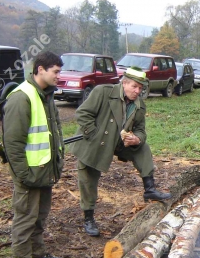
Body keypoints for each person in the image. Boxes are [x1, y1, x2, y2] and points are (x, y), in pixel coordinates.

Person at [70, 67, 171, 237]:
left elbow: (140, 130)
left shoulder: (139, 105)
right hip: (93, 143)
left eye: (140, 88)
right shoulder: (103, 92)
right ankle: (89, 217)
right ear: (124, 83)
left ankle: (149, 187)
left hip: (118, 142)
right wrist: (94, 133)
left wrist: (137, 139)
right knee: (88, 179)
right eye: (134, 87)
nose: (137, 91)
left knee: (142, 147)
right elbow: (82, 113)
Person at [3, 51, 66, 258]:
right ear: (40, 69)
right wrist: (23, 174)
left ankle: (37, 254)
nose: (59, 76)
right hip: (29, 174)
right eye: (56, 72)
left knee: (40, 217)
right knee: (25, 218)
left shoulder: (46, 95)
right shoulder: (22, 97)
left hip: (44, 171)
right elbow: (13, 143)